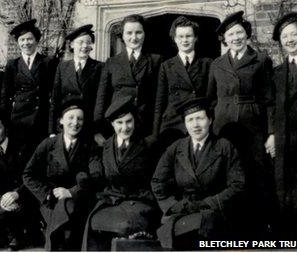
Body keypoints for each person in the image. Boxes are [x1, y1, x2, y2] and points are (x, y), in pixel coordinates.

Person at [206, 11, 276, 238]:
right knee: (224, 171)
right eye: (230, 34)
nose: (235, 37)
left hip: (253, 124)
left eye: (239, 32)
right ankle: (225, 224)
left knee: (254, 172)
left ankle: (257, 227)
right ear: (224, 39)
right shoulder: (217, 64)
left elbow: (269, 99)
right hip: (223, 124)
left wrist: (271, 132)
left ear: (246, 34)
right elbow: (211, 98)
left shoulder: (261, 60)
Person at [151, 97, 245, 250]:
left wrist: (210, 203)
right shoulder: (176, 148)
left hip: (214, 213)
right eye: (190, 120)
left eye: (200, 118)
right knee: (174, 235)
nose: (195, 125)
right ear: (185, 124)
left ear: (210, 119)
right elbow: (157, 182)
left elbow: (238, 185)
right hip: (183, 211)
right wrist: (173, 205)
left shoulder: (225, 147)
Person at [82, 96, 161, 251]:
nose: (125, 127)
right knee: (93, 221)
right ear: (112, 124)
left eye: (128, 121)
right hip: (112, 199)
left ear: (135, 121)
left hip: (140, 201)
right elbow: (100, 177)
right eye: (119, 122)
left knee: (127, 225)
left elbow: (155, 181)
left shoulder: (147, 146)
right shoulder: (105, 148)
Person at [23, 98, 97, 250]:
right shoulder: (48, 144)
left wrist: (71, 192)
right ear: (61, 121)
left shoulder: (89, 146)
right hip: (50, 200)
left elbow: (97, 175)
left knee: (68, 218)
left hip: (78, 199)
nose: (75, 123)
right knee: (62, 220)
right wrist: (46, 194)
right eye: (70, 117)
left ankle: (54, 246)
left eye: (80, 119)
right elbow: (28, 175)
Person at [269, 12, 297, 240]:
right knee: (286, 193)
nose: (289, 40)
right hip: (286, 142)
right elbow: (272, 107)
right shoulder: (277, 73)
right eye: (284, 37)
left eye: (293, 34)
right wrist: (272, 134)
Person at [94, 14, 162, 147]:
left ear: (145, 34)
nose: (133, 37)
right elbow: (101, 98)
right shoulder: (112, 62)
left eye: (138, 32)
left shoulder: (155, 60)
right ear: (122, 35)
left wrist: (155, 132)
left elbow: (159, 99)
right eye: (129, 33)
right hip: (117, 125)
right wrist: (97, 130)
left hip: (145, 126)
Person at [0, 110, 41, 250]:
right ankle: (13, 233)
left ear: (5, 128)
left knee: (20, 211)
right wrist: (0, 200)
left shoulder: (22, 148)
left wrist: (17, 194)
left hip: (22, 198)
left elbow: (33, 177)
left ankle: (10, 234)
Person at [1, 19, 56, 164]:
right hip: (18, 120)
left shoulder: (48, 62)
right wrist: (5, 123)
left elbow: (54, 95)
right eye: (22, 40)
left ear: (36, 40)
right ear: (18, 43)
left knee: (39, 158)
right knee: (19, 158)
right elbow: (5, 96)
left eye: (30, 39)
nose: (26, 43)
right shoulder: (12, 65)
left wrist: (51, 127)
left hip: (40, 120)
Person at [154, 16, 212, 152]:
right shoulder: (166, 66)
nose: (184, 40)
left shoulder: (207, 64)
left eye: (188, 36)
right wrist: (156, 133)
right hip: (173, 123)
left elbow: (211, 98)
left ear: (195, 38)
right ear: (174, 39)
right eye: (180, 37)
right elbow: (160, 102)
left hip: (198, 123)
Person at [49, 24, 103, 138]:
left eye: (88, 42)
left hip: (89, 126)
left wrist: (98, 130)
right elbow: (55, 100)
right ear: (72, 44)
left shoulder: (100, 67)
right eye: (81, 42)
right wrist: (52, 130)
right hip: (67, 125)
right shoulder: (62, 67)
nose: (85, 46)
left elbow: (101, 101)